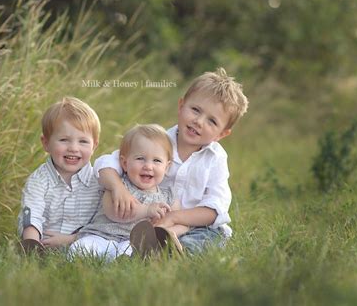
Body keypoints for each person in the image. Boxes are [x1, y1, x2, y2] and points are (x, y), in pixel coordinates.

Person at [94, 68, 248, 253]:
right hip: (147, 220)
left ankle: (172, 250)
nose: (199, 121)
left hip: (192, 226)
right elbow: (106, 164)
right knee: (136, 232)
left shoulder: (216, 159)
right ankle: (152, 247)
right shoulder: (158, 141)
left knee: (209, 236)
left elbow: (215, 209)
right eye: (195, 110)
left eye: (212, 121)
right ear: (181, 106)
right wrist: (117, 187)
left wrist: (175, 218)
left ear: (222, 134)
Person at [69, 124, 180, 261]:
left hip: (130, 241)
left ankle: (121, 260)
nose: (148, 166)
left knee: (133, 249)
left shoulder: (168, 196)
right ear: (125, 163)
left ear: (167, 167)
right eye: (140, 158)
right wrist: (146, 211)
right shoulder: (119, 186)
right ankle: (111, 259)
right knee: (80, 247)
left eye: (156, 160)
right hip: (102, 236)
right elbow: (114, 213)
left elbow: (176, 219)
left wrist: (164, 227)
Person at [17, 97, 102, 251]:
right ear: (46, 143)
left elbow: (102, 221)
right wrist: (32, 242)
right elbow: (31, 215)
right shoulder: (39, 181)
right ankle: (31, 250)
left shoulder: (99, 180)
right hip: (46, 245)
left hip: (86, 245)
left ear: (94, 146)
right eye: (64, 140)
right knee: (30, 220)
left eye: (83, 142)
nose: (73, 148)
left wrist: (72, 239)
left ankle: (135, 248)